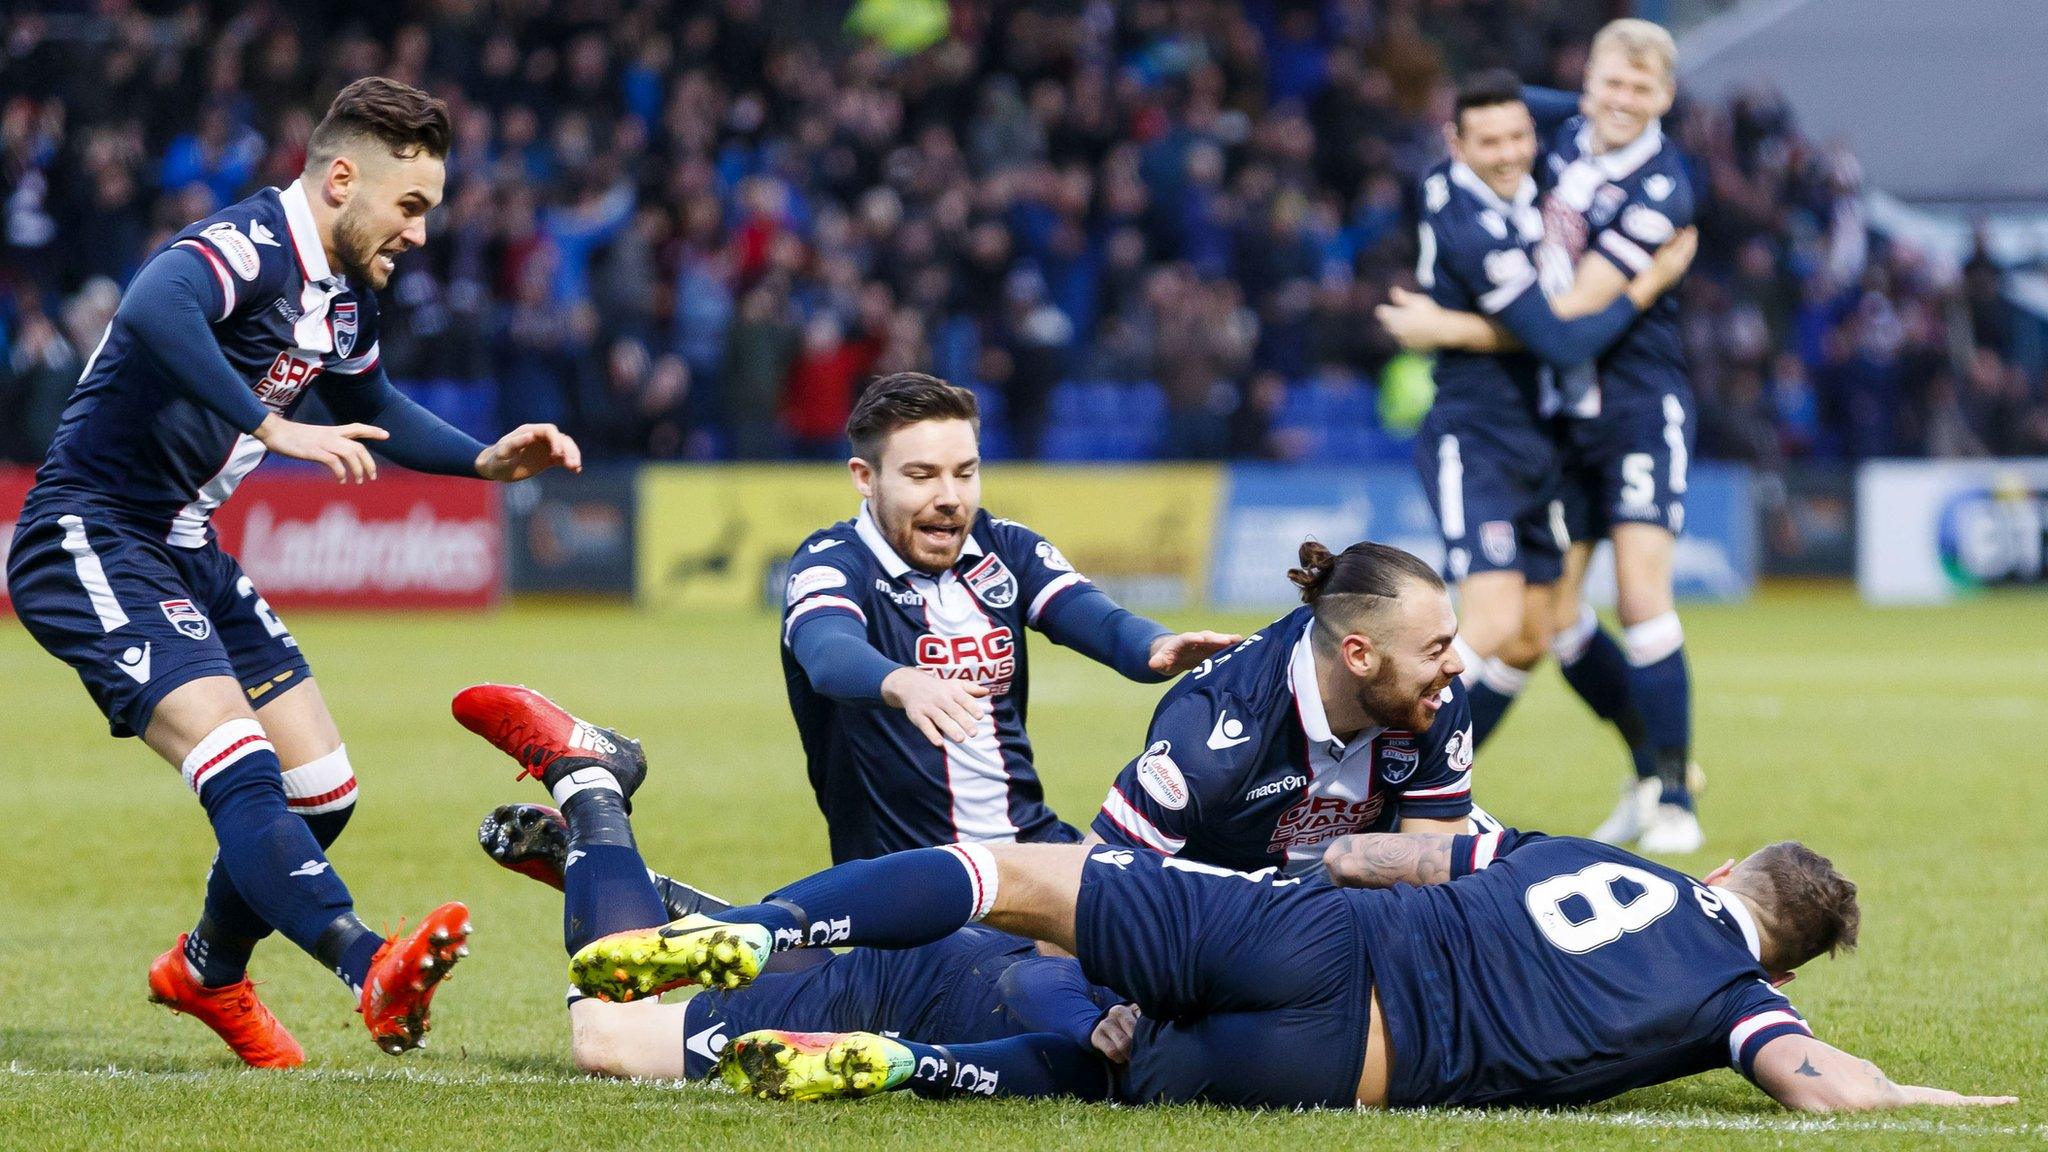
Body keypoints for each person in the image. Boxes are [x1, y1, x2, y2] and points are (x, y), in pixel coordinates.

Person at [5, 78, 582, 1066]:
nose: (421, 232)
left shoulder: (344, 295)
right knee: (244, 767)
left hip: (186, 545)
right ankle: (367, 964)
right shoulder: (253, 245)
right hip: (92, 533)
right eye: (411, 206)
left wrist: (483, 460)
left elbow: (379, 403)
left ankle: (208, 971)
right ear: (342, 179)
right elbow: (156, 301)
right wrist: (270, 424)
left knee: (323, 791)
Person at [574, 822, 2012, 1114]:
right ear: (1789, 954)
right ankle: (921, 1074)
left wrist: (1302, 872)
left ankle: (766, 929)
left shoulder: (1604, 861)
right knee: (1111, 1066)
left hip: (1324, 934)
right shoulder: (1734, 1002)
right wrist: (1929, 1103)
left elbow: (1413, 852)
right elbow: (1816, 1081)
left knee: (1012, 878)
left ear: (1726, 879)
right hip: (1348, 1069)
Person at [452, 681, 1134, 1090]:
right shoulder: (1217, 973)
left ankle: (628, 881)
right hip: (923, 984)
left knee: (811, 974)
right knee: (608, 1039)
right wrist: (1093, 1023)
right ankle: (590, 782)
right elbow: (1041, 972)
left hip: (932, 967)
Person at [1379, 25, 1708, 853]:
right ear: (1583, 83)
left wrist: (1446, 325)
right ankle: (1637, 768)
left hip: (1631, 401)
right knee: (1550, 624)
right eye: (1608, 86)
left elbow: (1569, 325)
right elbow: (1509, 107)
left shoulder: (1662, 186)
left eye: (1640, 90)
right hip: (1552, 422)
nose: (1621, 102)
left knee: (1635, 596)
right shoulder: (1541, 145)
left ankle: (1675, 792)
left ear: (1666, 98)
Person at [778, 371, 1239, 862]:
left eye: (965, 472)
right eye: (922, 475)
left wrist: (1156, 646)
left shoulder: (1006, 548)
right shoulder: (832, 562)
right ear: (865, 478)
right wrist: (905, 684)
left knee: (1190, 913)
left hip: (1032, 853)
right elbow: (828, 653)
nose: (950, 496)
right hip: (910, 882)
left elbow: (1101, 623)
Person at [1090, 539, 1485, 874]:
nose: (1456, 665)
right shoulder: (1211, 732)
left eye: (1450, 641)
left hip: (1357, 886)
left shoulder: (1433, 694)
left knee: (1500, 877)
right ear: (1359, 656)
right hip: (1225, 901)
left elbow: (1432, 874)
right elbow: (1087, 887)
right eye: (1435, 649)